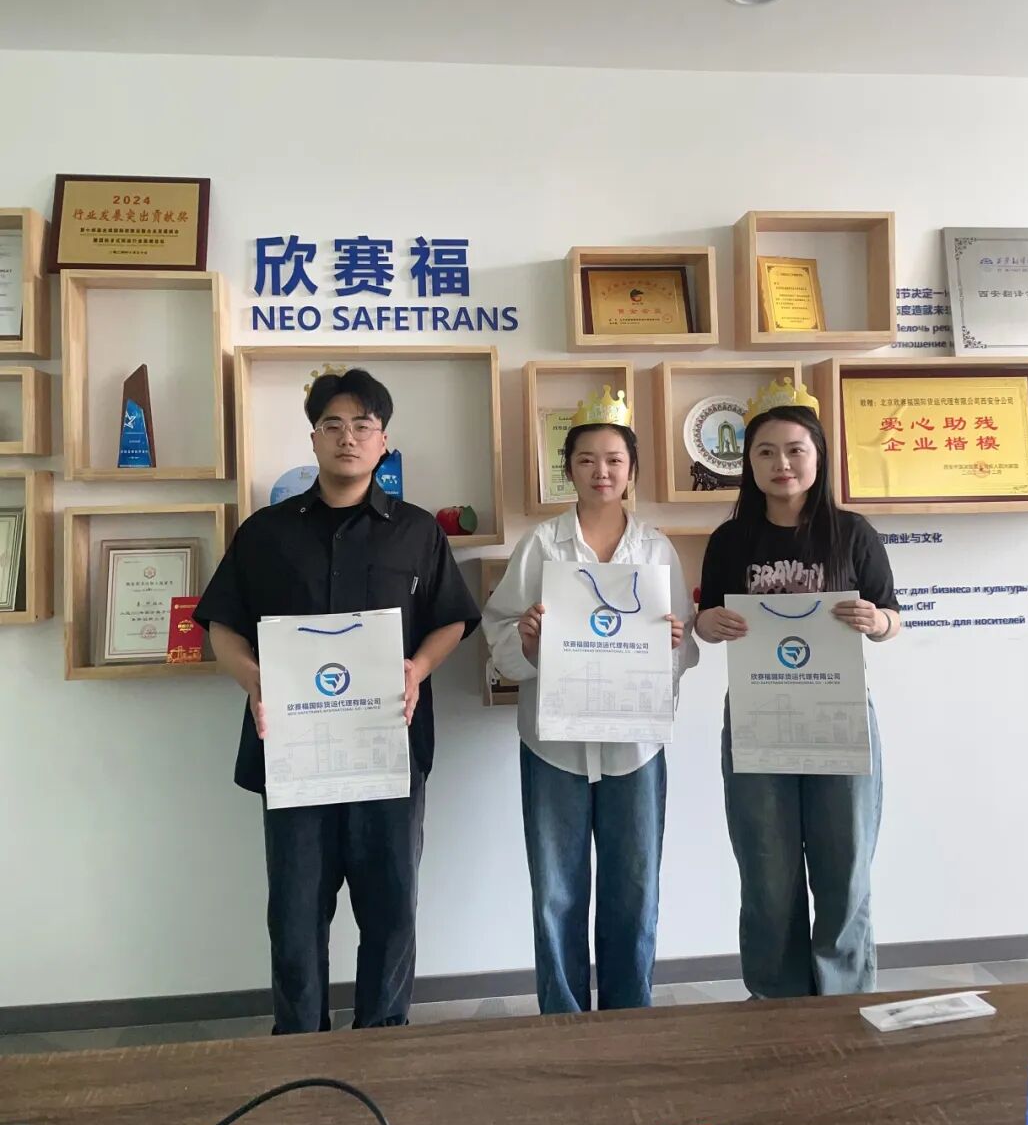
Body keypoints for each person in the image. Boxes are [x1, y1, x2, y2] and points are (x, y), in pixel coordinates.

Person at [195, 368, 479, 1033]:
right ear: (314, 438)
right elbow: (222, 627)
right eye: (333, 425)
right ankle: (300, 1049)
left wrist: (418, 668)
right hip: (294, 756)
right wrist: (256, 680)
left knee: (392, 912)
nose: (347, 437)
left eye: (362, 426)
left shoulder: (417, 531)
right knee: (296, 916)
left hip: (389, 753)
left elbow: (452, 619)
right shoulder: (265, 533)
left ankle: (382, 1043)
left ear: (384, 441)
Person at [482, 418, 699, 1015]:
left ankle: (629, 1016)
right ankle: (563, 1017)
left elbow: (683, 649)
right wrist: (527, 639)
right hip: (554, 744)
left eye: (613, 460)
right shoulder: (541, 546)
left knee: (635, 888)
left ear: (631, 471)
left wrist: (670, 642)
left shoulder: (655, 549)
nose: (601, 472)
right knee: (556, 891)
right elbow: (498, 631)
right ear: (568, 470)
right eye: (586, 460)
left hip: (635, 746)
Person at [695, 395, 900, 999]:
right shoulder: (731, 540)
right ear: (749, 465)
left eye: (794, 450)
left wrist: (876, 621)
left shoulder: (852, 533)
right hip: (757, 714)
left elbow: (892, 616)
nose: (781, 463)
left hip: (840, 713)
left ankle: (843, 998)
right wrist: (709, 623)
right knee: (767, 870)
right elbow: (706, 619)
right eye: (765, 452)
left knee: (845, 866)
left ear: (818, 457)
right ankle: (775, 999)